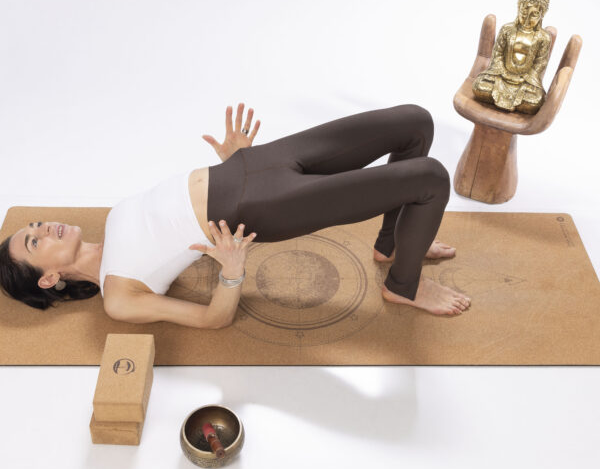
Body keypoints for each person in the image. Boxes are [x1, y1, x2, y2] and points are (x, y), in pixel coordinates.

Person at [0, 103, 471, 328]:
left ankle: (392, 244)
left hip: (251, 164)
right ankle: (403, 286)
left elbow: (172, 216)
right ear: (49, 279)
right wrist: (231, 271)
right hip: (259, 207)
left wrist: (232, 160)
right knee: (430, 178)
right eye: (34, 242)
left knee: (415, 123)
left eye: (34, 226)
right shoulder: (118, 297)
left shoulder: (111, 223)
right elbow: (213, 320)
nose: (43, 228)